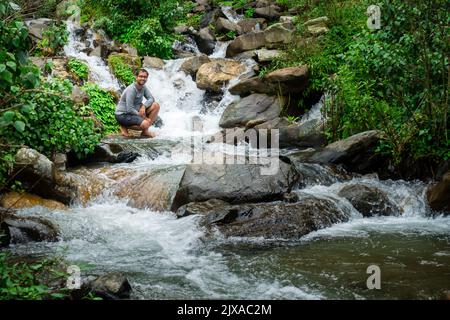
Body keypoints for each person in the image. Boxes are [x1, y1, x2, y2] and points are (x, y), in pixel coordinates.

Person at [115, 68, 160, 138]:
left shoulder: (143, 87)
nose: (143, 78)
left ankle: (144, 132)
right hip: (123, 115)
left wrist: (144, 106)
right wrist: (143, 117)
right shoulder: (131, 89)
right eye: (141, 76)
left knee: (156, 105)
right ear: (136, 77)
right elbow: (129, 109)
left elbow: (151, 98)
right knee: (146, 123)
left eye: (145, 77)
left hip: (135, 112)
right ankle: (123, 126)